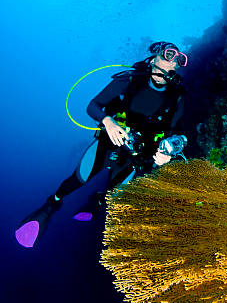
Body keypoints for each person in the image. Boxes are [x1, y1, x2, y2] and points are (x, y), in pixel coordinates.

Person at [15, 41, 188, 248]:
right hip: (107, 144)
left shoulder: (176, 97)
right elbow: (92, 106)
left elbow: (175, 132)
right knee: (77, 180)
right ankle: (50, 205)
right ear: (153, 58)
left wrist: (165, 153)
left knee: (112, 195)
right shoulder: (130, 80)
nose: (174, 61)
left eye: (179, 59)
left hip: (137, 156)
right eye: (169, 55)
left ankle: (97, 201)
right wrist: (108, 122)